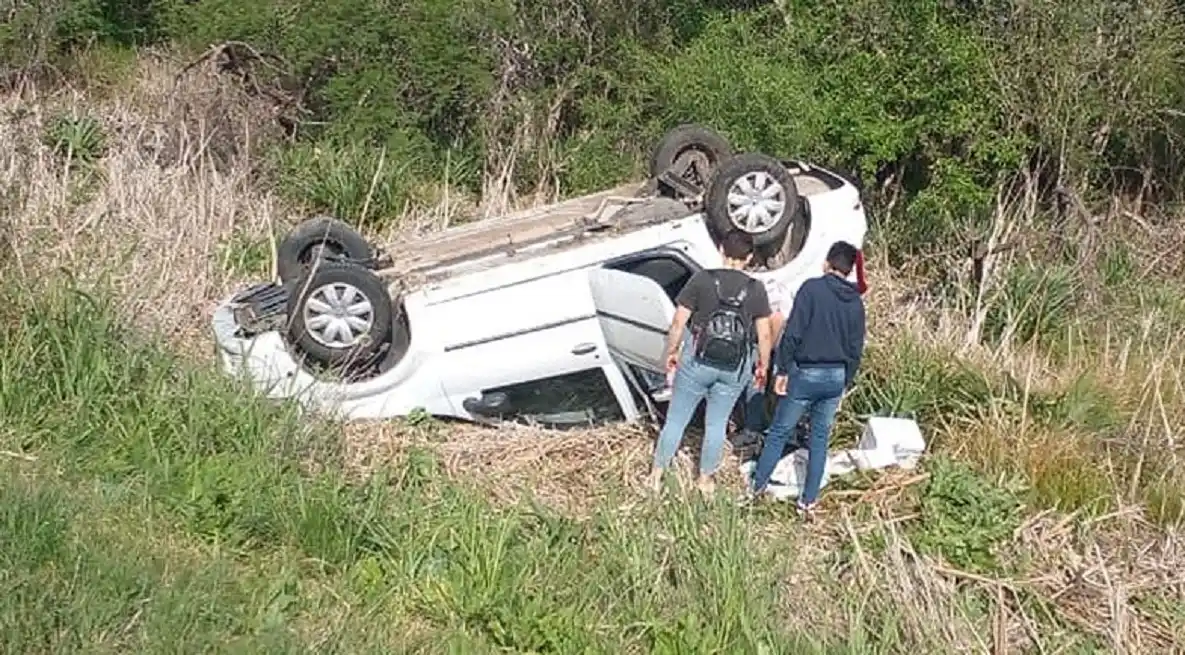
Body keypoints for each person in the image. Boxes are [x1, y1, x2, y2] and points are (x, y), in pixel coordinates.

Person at [647, 230, 774, 496]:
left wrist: (672, 351)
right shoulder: (756, 289)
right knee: (716, 424)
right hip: (734, 368)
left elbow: (678, 322)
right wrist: (763, 365)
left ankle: (656, 476)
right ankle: (705, 480)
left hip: (697, 360)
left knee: (676, 420)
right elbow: (764, 334)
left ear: (721, 249)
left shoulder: (702, 279)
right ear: (750, 257)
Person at [749, 241, 866, 516]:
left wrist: (782, 369)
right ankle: (808, 500)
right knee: (819, 438)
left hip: (806, 372)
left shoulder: (812, 289)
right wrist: (845, 380)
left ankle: (757, 488)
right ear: (849, 270)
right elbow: (855, 349)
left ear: (827, 263)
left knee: (779, 431)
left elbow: (793, 333)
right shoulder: (855, 303)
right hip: (836, 375)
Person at [735, 271, 790, 447]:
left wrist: (763, 359)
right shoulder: (781, 297)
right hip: (776, 348)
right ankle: (756, 428)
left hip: (770, 348)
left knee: (756, 386)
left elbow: (773, 324)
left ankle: (752, 430)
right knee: (761, 389)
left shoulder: (773, 305)